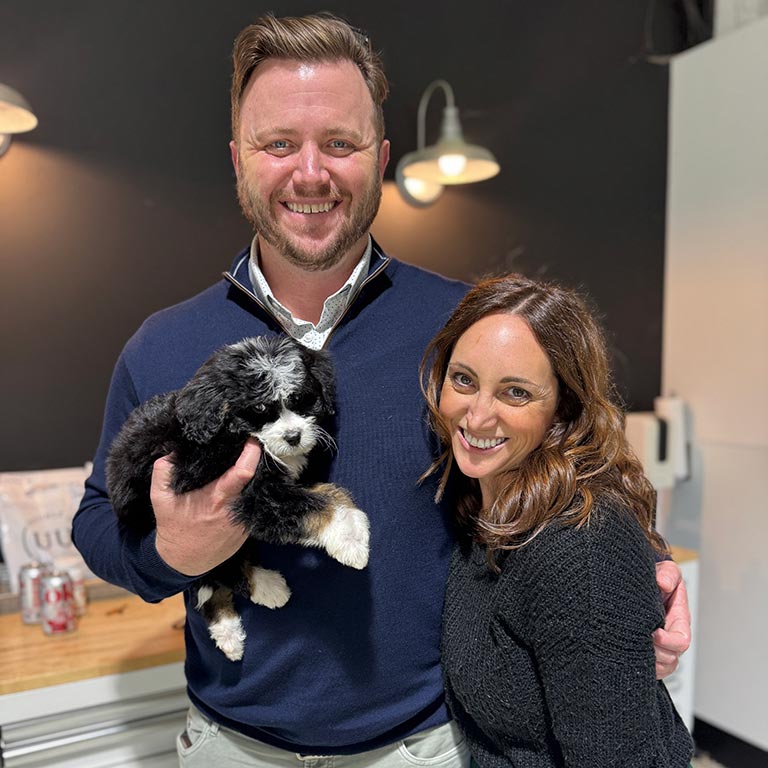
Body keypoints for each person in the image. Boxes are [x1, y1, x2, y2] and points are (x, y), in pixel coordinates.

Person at [73, 13, 691, 767]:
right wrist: (170, 551)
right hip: (228, 747)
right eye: (278, 145)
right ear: (240, 159)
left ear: (381, 156)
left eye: (340, 143)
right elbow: (98, 521)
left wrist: (646, 573)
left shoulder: (460, 329)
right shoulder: (162, 345)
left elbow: (566, 459)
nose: (310, 172)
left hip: (423, 747)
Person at [421, 274, 694, 767]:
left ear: (563, 408)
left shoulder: (576, 546)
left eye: (516, 393)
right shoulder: (480, 497)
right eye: (463, 380)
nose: (478, 417)